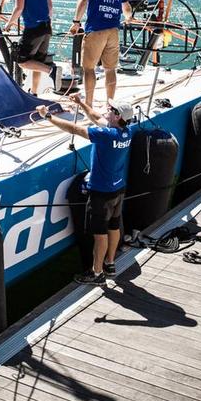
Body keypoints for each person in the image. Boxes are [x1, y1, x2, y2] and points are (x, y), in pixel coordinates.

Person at [37, 94, 133, 287]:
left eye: (110, 109)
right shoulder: (127, 131)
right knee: (114, 226)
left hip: (101, 192)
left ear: (116, 116)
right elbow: (98, 118)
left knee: (100, 234)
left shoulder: (106, 135)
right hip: (118, 189)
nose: (107, 109)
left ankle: (97, 273)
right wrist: (81, 103)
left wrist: (47, 117)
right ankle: (110, 263)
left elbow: (75, 129)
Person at [70, 0, 132, 107]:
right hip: (113, 31)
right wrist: (128, 18)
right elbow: (127, 8)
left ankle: (89, 104)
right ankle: (110, 104)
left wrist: (76, 22)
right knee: (110, 69)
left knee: (89, 68)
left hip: (96, 30)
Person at [4, 0, 58, 93]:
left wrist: (9, 24)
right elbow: (50, 7)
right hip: (46, 27)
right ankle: (34, 93)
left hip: (33, 28)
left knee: (21, 60)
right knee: (36, 62)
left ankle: (52, 70)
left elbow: (19, 8)